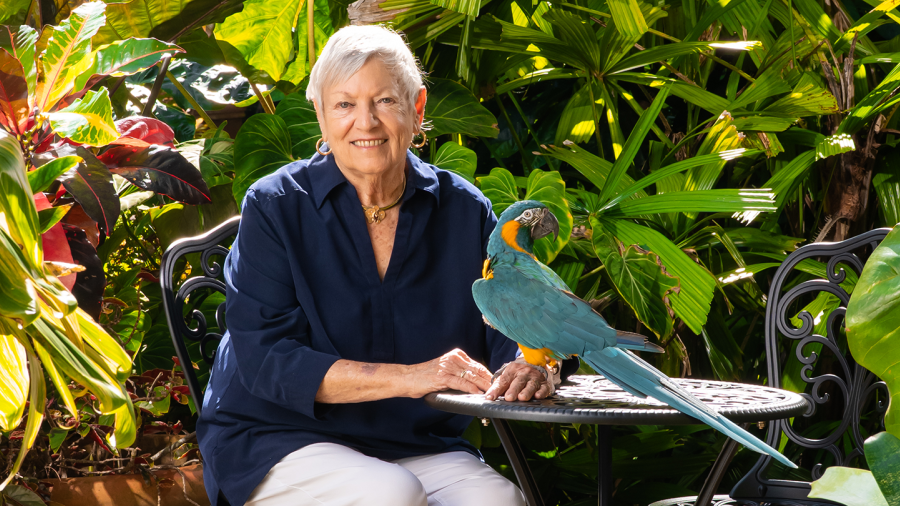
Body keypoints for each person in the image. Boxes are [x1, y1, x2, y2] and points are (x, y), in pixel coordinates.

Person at [196, 25, 573, 506]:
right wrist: (415, 376)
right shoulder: (276, 206)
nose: (366, 122)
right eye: (345, 104)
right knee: (389, 493)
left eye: (385, 101)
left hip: (414, 442)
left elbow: (513, 320)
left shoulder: (464, 210)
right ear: (321, 114)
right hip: (279, 438)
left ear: (417, 109)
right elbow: (267, 360)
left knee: (497, 500)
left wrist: (529, 364)